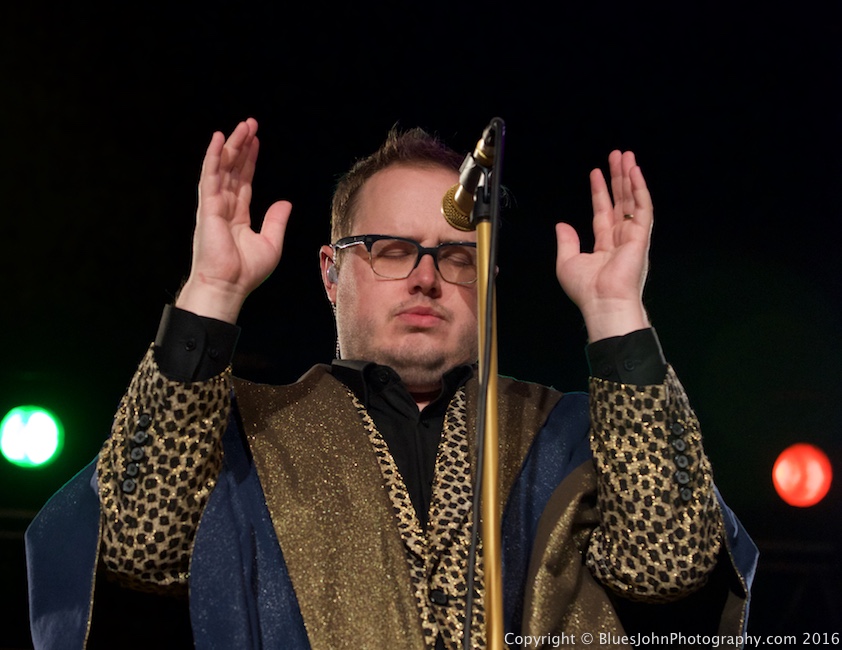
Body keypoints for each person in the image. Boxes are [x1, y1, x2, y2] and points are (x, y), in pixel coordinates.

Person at [26, 118, 757, 649]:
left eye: (457, 256)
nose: (426, 278)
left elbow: (671, 564)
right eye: (390, 250)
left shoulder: (567, 435)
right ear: (331, 272)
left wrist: (616, 312)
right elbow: (136, 544)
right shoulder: (244, 434)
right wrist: (211, 291)